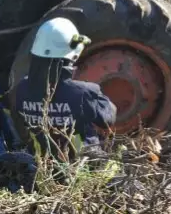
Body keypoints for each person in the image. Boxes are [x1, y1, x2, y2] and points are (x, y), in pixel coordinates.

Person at [14, 17, 117, 161]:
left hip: (45, 166)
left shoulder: (21, 89)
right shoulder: (83, 93)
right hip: (85, 167)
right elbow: (108, 118)